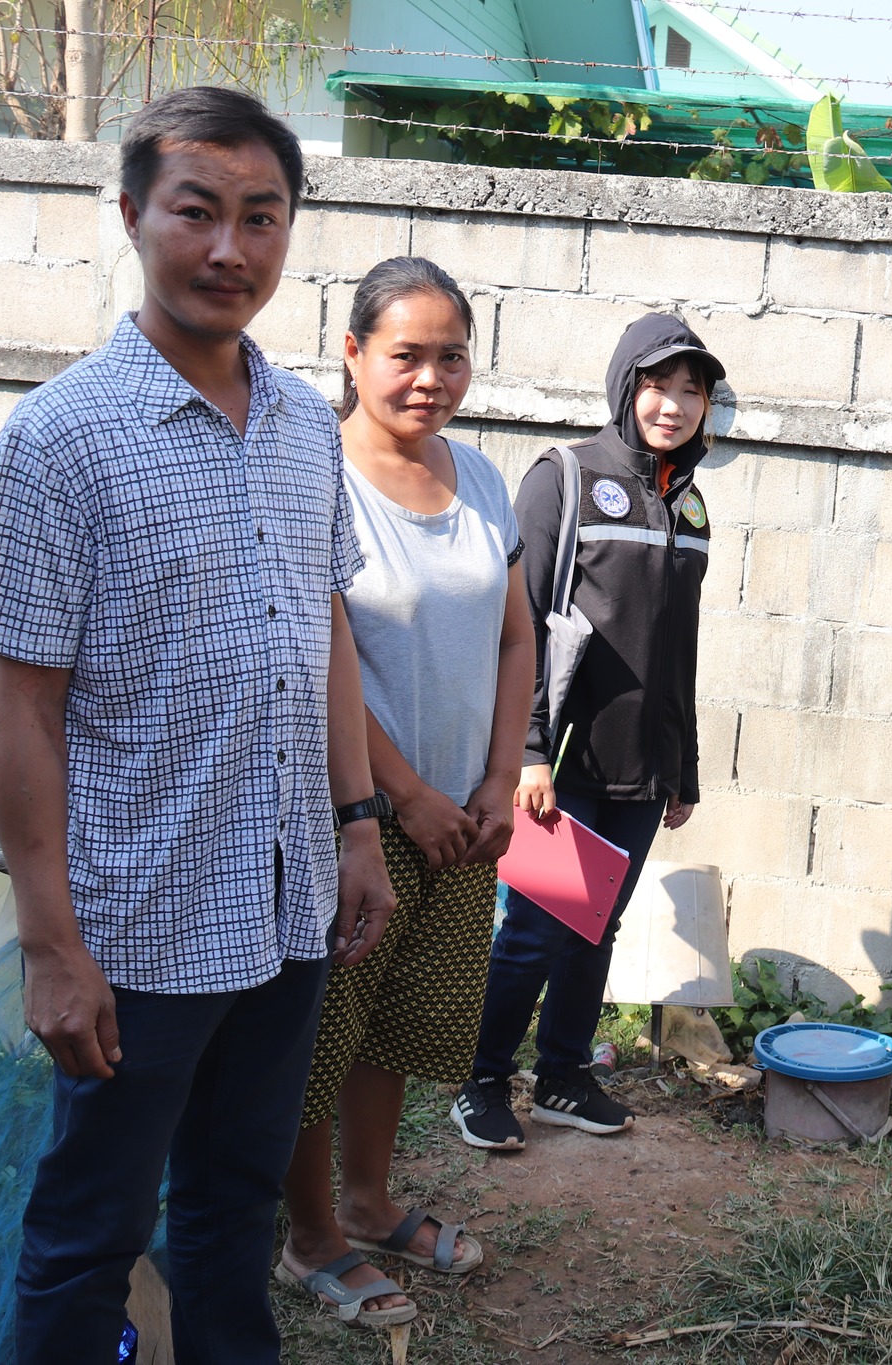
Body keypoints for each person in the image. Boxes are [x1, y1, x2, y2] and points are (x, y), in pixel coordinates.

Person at [0, 87, 396, 1363]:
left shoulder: (306, 428)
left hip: (284, 907)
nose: (228, 249)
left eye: (260, 218)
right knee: (89, 1232)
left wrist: (356, 827)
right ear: (132, 215)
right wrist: (52, 945)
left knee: (233, 1204)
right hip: (136, 928)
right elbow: (24, 708)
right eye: (196, 212)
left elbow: (322, 633)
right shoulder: (58, 439)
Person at [277, 258, 536, 1325]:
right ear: (351, 355)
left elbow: (517, 636)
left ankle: (372, 1201)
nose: (430, 378)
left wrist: (494, 775)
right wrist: (408, 798)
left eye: (451, 356)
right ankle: (307, 1237)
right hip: (356, 822)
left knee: (395, 1028)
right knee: (321, 1031)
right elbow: (320, 652)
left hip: (463, 824)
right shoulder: (314, 476)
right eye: (405, 355)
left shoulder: (478, 477)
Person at [451, 313, 721, 1150]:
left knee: (594, 925)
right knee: (535, 928)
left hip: (643, 764)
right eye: (657, 384)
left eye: (692, 391)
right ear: (625, 384)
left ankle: (564, 1073)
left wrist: (686, 767)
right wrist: (528, 750)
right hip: (563, 760)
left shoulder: (691, 504)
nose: (673, 405)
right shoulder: (564, 479)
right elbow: (521, 623)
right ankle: (483, 1080)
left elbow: (681, 647)